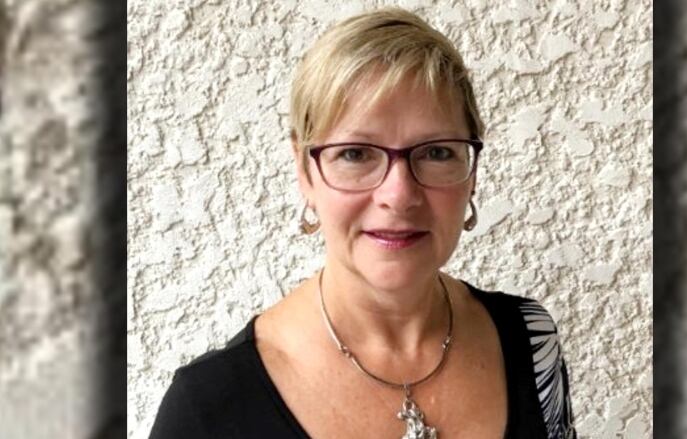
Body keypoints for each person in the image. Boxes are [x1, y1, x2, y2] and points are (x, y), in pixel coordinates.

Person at [149, 7, 576, 439]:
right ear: (305, 171)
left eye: (436, 152)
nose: (399, 195)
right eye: (355, 153)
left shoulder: (529, 340)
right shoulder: (208, 409)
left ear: (473, 173)